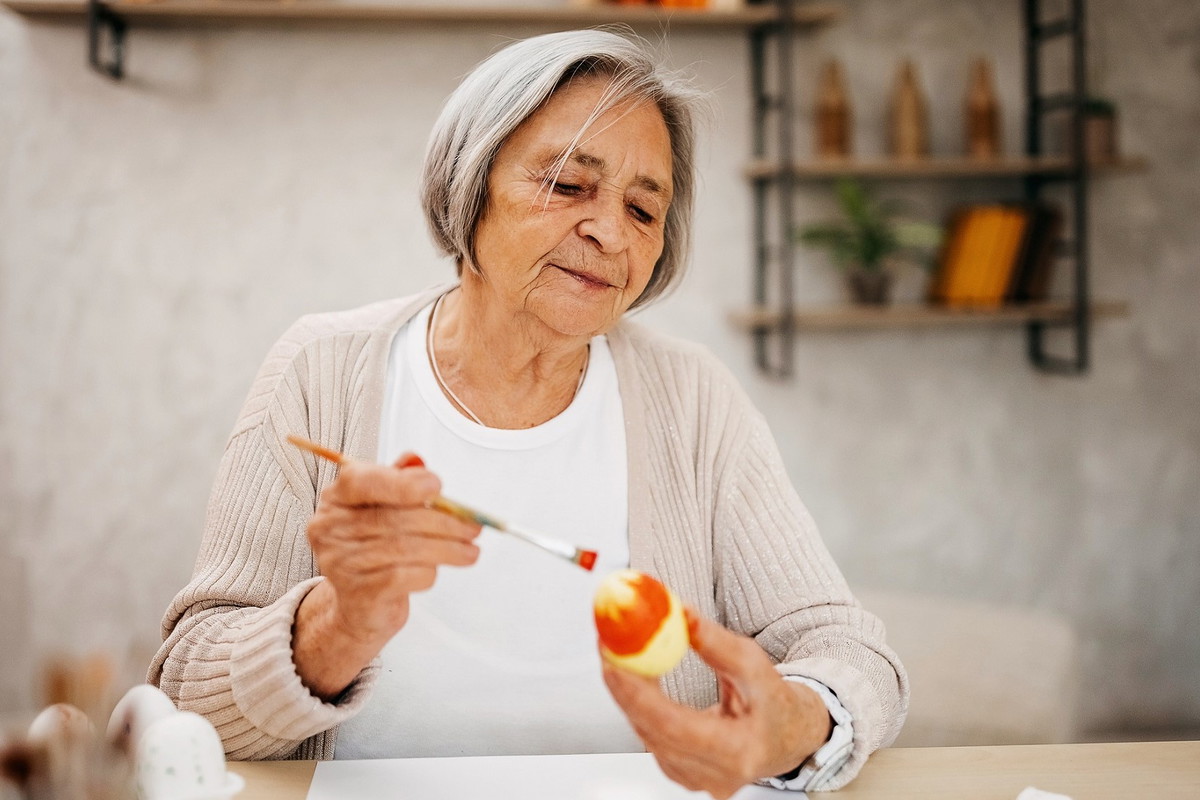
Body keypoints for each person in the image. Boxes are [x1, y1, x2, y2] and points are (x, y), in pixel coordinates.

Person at [150, 29, 907, 797]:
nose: (610, 231)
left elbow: (845, 645)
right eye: (568, 185)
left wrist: (798, 721)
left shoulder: (693, 397)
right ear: (469, 186)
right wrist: (337, 624)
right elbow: (187, 692)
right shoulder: (320, 370)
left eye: (644, 210)